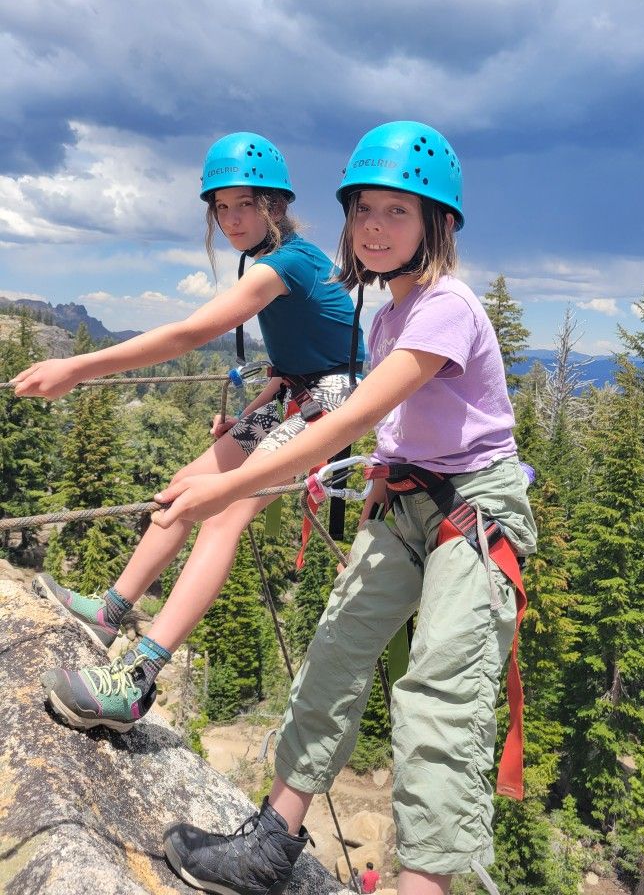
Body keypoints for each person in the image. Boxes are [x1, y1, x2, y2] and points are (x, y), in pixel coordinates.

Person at [154, 121, 537, 895]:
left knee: (439, 698)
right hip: (407, 498)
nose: (374, 227)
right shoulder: (388, 313)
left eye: (397, 211)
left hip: (474, 512)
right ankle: (270, 847)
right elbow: (395, 429)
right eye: (363, 209)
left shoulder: (447, 306)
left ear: (437, 223)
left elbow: (353, 417)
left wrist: (227, 486)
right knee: (334, 653)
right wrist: (373, 503)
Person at [12, 131, 364, 732]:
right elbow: (302, 358)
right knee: (183, 488)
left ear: (276, 205)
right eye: (221, 207)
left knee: (224, 513)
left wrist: (77, 368)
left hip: (328, 405)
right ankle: (109, 613)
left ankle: (138, 681)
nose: (231, 219)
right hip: (292, 395)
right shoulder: (279, 259)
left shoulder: (287, 263)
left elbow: (188, 335)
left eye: (244, 204)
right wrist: (253, 415)